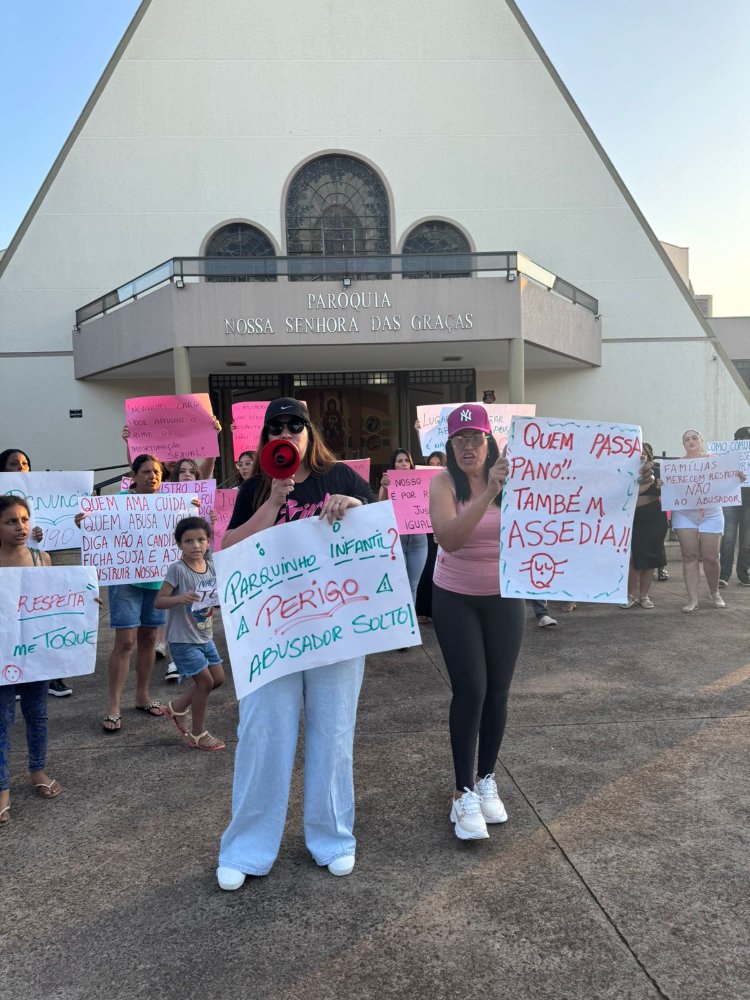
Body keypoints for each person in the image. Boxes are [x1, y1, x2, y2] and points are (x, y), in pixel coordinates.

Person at [216, 398, 375, 891]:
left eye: (295, 425)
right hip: (271, 632)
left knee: (332, 733)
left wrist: (355, 508)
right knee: (263, 736)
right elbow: (228, 549)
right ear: (265, 437)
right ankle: (247, 849)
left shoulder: (343, 477)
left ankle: (332, 839)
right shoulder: (255, 486)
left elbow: (377, 530)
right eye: (276, 426)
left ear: (310, 433)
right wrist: (271, 503)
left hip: (335, 627)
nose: (286, 432)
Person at [429, 403, 525, 841]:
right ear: (449, 445)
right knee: (472, 691)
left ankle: (486, 778)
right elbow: (448, 538)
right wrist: (488, 492)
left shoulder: (517, 480)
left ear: (490, 440)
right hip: (455, 597)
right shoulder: (443, 483)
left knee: (499, 692)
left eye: (476, 438)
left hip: (506, 596)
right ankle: (462, 790)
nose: (468, 446)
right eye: (460, 439)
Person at [76, 453, 188, 731]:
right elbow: (99, 530)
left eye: (158, 472)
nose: (153, 476)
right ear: (134, 475)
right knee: (125, 642)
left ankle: (142, 695)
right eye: (147, 471)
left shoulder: (172, 505)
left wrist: (195, 511)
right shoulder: (118, 503)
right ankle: (113, 704)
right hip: (125, 580)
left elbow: (191, 531)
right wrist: (85, 522)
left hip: (159, 581)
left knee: (149, 638)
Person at [0, 497, 60, 827]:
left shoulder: (41, 558)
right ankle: (2, 788)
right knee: (2, 719)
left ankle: (38, 768)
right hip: (3, 653)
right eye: (11, 521)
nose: (21, 526)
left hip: (37, 651)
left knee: (37, 714)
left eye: (24, 519)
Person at [0, 448, 73, 698]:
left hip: (33, 561)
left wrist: (40, 535)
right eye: (14, 463)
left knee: (39, 620)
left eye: (25, 463)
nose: (21, 467)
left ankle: (49, 677)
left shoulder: (38, 493)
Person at [155, 516, 225, 750]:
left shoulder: (211, 565)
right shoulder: (177, 570)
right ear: (179, 544)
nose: (195, 545)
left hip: (205, 636)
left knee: (218, 679)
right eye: (188, 541)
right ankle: (198, 733)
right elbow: (160, 601)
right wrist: (179, 598)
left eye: (201, 540)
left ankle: (176, 707)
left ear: (208, 542)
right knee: (205, 682)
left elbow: (213, 598)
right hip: (182, 639)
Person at [673, 429, 744, 613]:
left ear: (701, 440)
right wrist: (663, 485)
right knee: (689, 556)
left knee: (711, 557)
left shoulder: (715, 460)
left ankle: (715, 593)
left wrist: (739, 477)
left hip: (711, 513)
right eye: (686, 439)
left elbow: (728, 479)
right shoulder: (677, 465)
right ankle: (692, 599)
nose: (691, 441)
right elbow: (672, 488)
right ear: (683, 444)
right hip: (684, 513)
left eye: (694, 437)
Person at [620, 443, 668, 609]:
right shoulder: (624, 472)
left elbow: (674, 491)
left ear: (650, 455)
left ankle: (644, 596)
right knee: (632, 558)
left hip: (653, 517)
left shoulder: (659, 470)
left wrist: (664, 485)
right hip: (631, 518)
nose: (641, 455)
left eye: (644, 453)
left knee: (649, 558)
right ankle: (630, 595)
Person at [378, 448, 428, 607]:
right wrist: (385, 488)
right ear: (393, 464)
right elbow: (381, 507)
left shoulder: (421, 481)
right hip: (397, 540)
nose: (404, 464)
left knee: (412, 586)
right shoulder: (387, 482)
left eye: (407, 460)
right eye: (400, 461)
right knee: (400, 584)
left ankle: (411, 625)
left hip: (419, 541)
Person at [416, 451, 446, 623]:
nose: (433, 467)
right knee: (426, 570)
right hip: (425, 527)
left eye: (438, 464)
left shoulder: (450, 482)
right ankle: (423, 609)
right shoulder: (420, 480)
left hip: (442, 527)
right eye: (431, 463)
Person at [719, 426, 750, 588]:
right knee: (728, 538)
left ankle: (744, 573)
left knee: (747, 540)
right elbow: (718, 475)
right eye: (744, 438)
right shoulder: (727, 456)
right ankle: (724, 574)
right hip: (731, 499)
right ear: (737, 441)